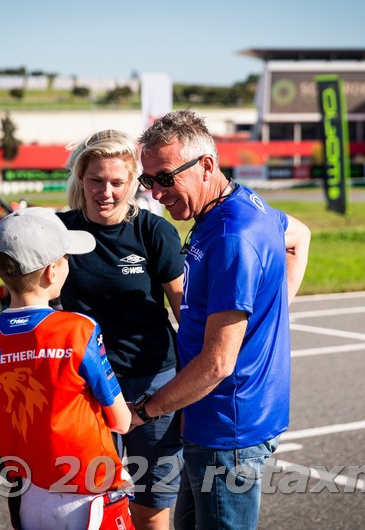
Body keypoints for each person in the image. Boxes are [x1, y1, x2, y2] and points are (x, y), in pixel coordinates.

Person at [131, 110, 311, 529]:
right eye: (148, 180)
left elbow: (217, 364)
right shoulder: (239, 203)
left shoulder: (232, 236)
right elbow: (298, 236)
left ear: (206, 165)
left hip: (225, 431)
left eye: (164, 178)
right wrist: (270, 310)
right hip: (217, 419)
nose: (156, 193)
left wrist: (147, 410)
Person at [0, 207, 134, 530]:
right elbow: (121, 420)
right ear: (52, 272)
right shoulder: (79, 329)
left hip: (29, 498)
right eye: (65, 258)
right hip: (89, 493)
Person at [56, 129, 185, 530]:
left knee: (151, 508)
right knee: (92, 504)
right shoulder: (59, 234)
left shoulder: (153, 232)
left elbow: (186, 312)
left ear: (133, 183)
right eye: (96, 180)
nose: (106, 191)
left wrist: (199, 383)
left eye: (117, 182)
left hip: (154, 383)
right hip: (88, 389)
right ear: (81, 179)